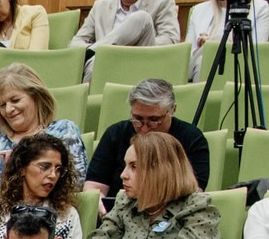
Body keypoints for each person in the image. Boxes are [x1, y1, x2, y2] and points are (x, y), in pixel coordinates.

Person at [85, 131, 220, 239]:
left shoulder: (197, 205)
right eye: (125, 165)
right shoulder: (126, 203)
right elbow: (101, 236)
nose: (123, 175)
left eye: (134, 167)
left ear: (160, 170)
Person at [0, 66, 87, 204]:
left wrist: (15, 173)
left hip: (33, 213)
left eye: (15, 100)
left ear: (36, 96)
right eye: (1, 105)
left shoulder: (62, 131)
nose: (8, 110)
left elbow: (75, 185)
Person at [83, 79, 212, 211]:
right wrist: (103, 211)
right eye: (137, 119)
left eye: (154, 120)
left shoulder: (191, 138)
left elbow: (194, 192)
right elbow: (93, 187)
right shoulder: (115, 134)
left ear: (172, 110)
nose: (144, 129)